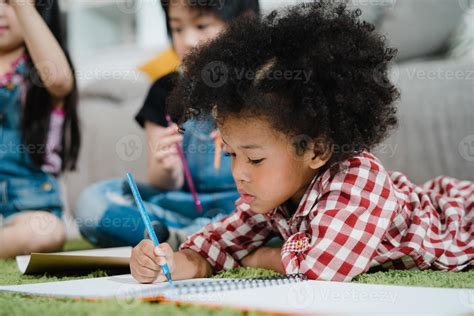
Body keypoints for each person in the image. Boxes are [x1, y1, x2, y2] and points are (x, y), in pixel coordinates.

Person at [130, 1, 473, 283]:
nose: (239, 173)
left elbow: (321, 268)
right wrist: (169, 263)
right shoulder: (271, 193)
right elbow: (212, 246)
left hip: (461, 222)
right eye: (232, 154)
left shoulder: (358, 177)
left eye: (254, 159)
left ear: (316, 149)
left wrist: (258, 256)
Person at [75, 0, 260, 248]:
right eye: (177, 29)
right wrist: (168, 168)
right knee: (92, 202)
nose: (188, 40)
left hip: (248, 204)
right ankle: (194, 239)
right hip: (183, 208)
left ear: (242, 24)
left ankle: (187, 240)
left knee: (278, 204)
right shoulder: (165, 90)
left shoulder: (263, 87)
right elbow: (162, 181)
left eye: (201, 25)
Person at [0, 0, 80, 258]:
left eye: (9, 2)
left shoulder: (41, 69)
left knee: (46, 233)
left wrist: (23, 7)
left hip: (27, 208)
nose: (1, 11)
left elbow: (57, 79)